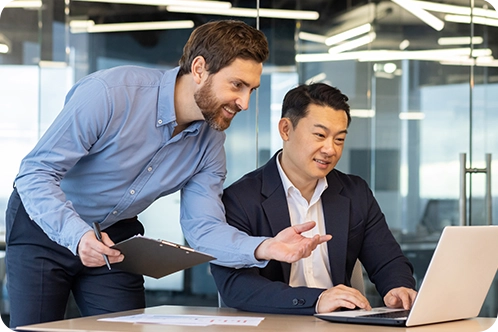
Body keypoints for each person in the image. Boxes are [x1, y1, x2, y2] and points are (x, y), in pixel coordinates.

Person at [5, 20, 330, 327]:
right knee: (37, 330)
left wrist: (264, 248)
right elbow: (35, 174)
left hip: (115, 237)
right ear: (200, 69)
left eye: (251, 90)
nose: (244, 103)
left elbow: (203, 227)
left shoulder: (210, 142)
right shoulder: (109, 94)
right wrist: (77, 236)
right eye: (237, 85)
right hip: (44, 226)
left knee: (129, 330)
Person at [210, 83, 417, 315]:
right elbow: (236, 286)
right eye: (320, 135)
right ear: (286, 129)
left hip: (340, 326)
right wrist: (316, 300)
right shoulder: (241, 199)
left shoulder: (354, 192)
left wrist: (399, 287)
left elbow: (387, 259)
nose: (330, 149)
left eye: (339, 139)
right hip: (274, 324)